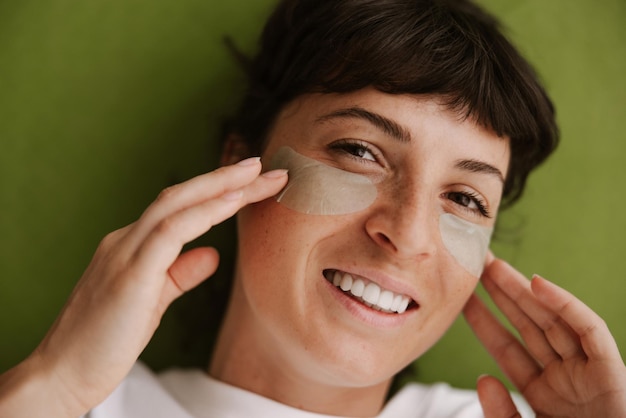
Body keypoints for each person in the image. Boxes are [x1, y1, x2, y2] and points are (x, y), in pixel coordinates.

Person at [1, 0, 625, 416]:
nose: (407, 235)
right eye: (359, 151)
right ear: (238, 165)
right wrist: (52, 387)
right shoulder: (71, 405)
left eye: (464, 197)